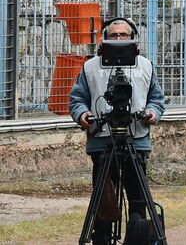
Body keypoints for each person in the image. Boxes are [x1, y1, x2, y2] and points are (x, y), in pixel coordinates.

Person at [68, 17, 166, 245]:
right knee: (104, 198)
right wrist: (83, 116)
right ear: (104, 40)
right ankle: (101, 239)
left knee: (138, 198)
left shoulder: (146, 65)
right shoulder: (90, 66)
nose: (119, 39)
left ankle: (139, 236)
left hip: (137, 138)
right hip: (102, 139)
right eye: (114, 35)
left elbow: (157, 100)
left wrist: (152, 112)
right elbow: (76, 100)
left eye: (123, 35)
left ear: (133, 39)